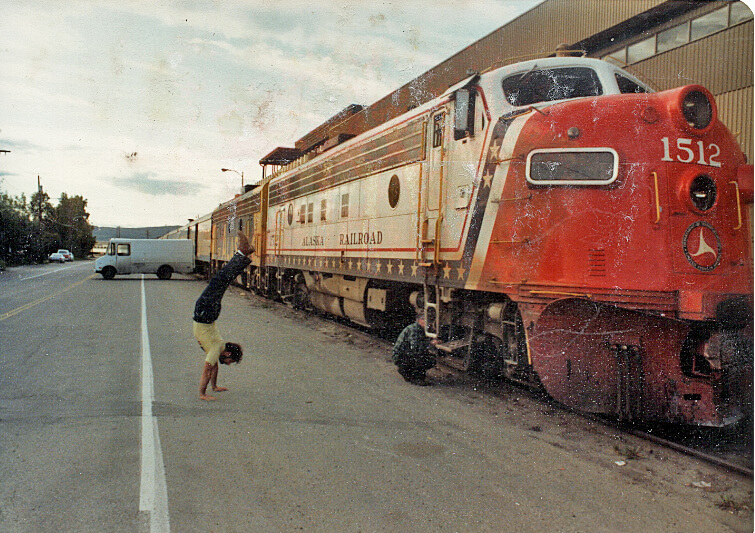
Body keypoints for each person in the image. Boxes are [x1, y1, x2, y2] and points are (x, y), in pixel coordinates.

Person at [193, 230, 254, 400]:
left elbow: (212, 368)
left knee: (222, 280)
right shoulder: (216, 349)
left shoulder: (217, 348)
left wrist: (213, 387)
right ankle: (242, 253)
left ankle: (243, 254)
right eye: (230, 361)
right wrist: (202, 394)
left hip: (207, 314)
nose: (228, 364)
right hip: (205, 313)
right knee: (221, 279)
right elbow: (207, 370)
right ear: (227, 354)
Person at [392, 312, 437, 385]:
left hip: (404, 356)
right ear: (419, 320)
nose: (427, 322)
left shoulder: (419, 328)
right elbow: (415, 347)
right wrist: (431, 343)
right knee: (426, 358)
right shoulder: (414, 329)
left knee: (423, 355)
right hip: (402, 357)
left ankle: (409, 373)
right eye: (424, 319)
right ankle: (416, 378)